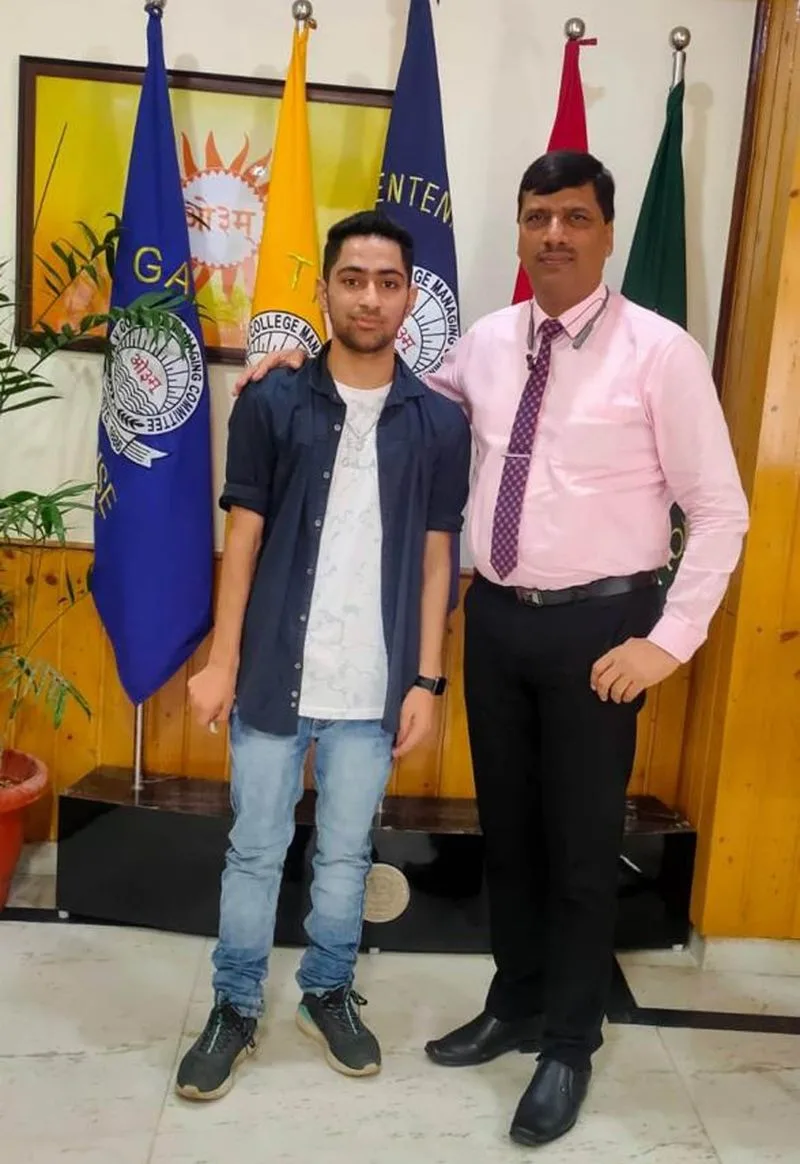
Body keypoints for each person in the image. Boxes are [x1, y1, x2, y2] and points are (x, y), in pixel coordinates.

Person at [233, 152, 749, 1145]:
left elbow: (720, 511)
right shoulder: (485, 345)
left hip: (604, 629)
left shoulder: (660, 353)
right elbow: (390, 395)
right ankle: (513, 1004)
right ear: (518, 231)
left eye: (574, 217)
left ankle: (569, 1043)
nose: (554, 233)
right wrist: (295, 363)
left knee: (579, 846)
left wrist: (668, 642)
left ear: (605, 232)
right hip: (499, 620)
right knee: (508, 832)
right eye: (537, 216)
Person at [176, 210, 471, 1101]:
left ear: (408, 297)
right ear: (324, 290)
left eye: (388, 282)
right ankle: (234, 1006)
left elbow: (436, 560)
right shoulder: (273, 401)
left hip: (373, 688)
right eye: (353, 279)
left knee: (345, 857)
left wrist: (425, 679)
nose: (369, 297)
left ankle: (327, 991)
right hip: (274, 671)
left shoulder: (439, 423)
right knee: (255, 851)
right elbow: (244, 540)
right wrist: (222, 660)